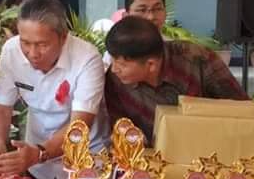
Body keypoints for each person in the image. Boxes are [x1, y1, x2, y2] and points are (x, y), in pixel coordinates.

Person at [0, 0, 108, 179]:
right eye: (25, 42)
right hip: (37, 162)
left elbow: (79, 125)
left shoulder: (87, 58)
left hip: (83, 161)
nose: (32, 53)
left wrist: (40, 153)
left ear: (63, 37)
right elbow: (1, 108)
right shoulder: (11, 51)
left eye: (42, 44)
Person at [104, 16, 246, 142]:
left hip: (211, 149)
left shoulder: (197, 60)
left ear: (151, 64)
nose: (114, 69)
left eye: (121, 64)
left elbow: (242, 109)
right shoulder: (115, 81)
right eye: (112, 60)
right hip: (149, 156)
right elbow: (119, 125)